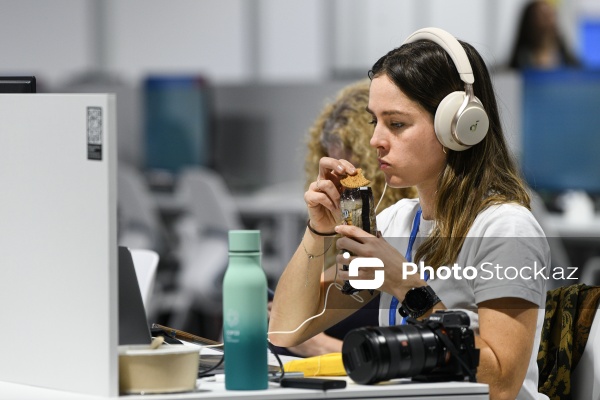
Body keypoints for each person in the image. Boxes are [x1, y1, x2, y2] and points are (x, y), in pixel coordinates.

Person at [269, 27, 549, 400]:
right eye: (375, 121)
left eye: (397, 124)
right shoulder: (395, 222)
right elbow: (287, 330)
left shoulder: (505, 228)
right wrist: (318, 230)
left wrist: (405, 285)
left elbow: (500, 385)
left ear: (458, 129)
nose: (375, 141)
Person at [269, 79, 415, 357]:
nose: (345, 179)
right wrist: (318, 231)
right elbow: (286, 328)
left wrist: (321, 346)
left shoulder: (496, 224)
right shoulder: (384, 224)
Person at [508, 0, 580, 70]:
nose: (549, 21)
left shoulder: (569, 62)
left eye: (551, 15)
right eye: (544, 16)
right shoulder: (521, 61)